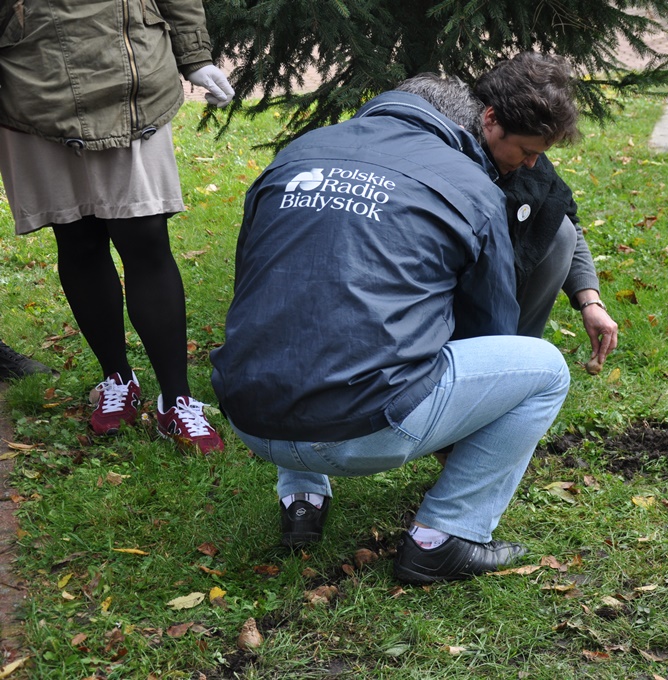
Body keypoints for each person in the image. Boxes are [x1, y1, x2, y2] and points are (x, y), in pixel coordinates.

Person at [210, 75, 571, 584]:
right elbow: (490, 330)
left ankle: (301, 499)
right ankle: (445, 537)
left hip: (250, 417)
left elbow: (255, 284)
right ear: (469, 122)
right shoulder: (471, 186)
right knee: (546, 369)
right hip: (360, 432)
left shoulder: (297, 155)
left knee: (296, 310)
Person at [0, 1, 232, 453]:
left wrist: (195, 57)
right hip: (34, 81)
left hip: (132, 79)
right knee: (78, 239)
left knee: (145, 238)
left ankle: (177, 401)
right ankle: (118, 379)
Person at [475, 52, 619, 369]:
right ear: (491, 119)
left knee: (561, 230)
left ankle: (516, 356)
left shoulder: (527, 164)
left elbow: (566, 221)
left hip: (504, 301)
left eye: (540, 153)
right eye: (527, 151)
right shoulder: (454, 164)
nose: (532, 163)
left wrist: (590, 301)